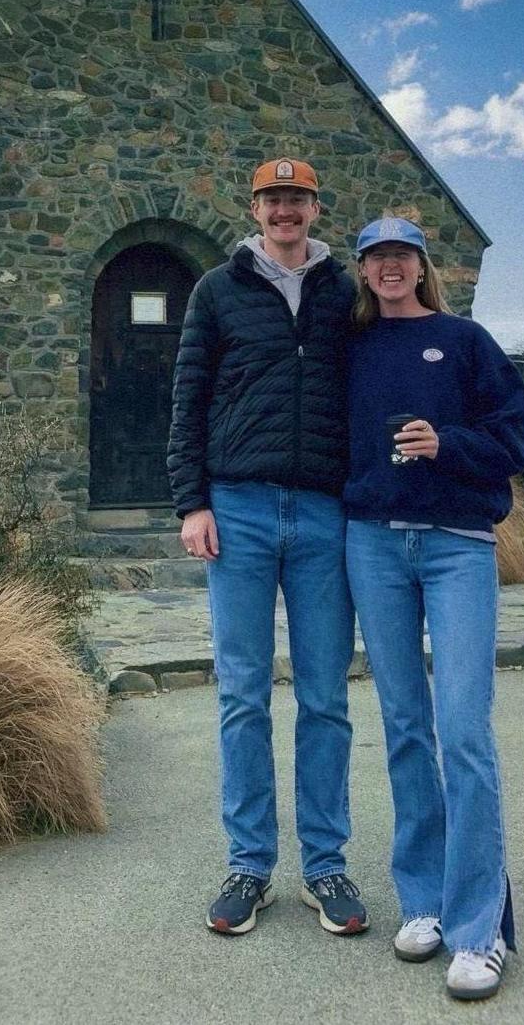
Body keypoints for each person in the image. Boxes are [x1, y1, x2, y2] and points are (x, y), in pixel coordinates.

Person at [167, 157, 369, 938]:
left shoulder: (345, 294)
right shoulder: (217, 290)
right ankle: (249, 864)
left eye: (299, 198)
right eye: (273, 198)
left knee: (325, 695)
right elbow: (188, 397)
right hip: (239, 509)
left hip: (324, 514)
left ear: (317, 206)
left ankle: (326, 865)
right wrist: (192, 501)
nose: (286, 210)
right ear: (253, 207)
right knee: (242, 693)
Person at [342, 216, 524, 1002]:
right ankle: (422, 901)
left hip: (457, 545)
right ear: (363, 269)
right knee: (407, 729)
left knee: (464, 729)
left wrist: (444, 442)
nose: (390, 266)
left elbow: (511, 443)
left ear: (423, 265)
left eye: (402, 255)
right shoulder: (349, 348)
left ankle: (480, 929)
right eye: (376, 255)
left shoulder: (467, 342)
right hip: (375, 546)